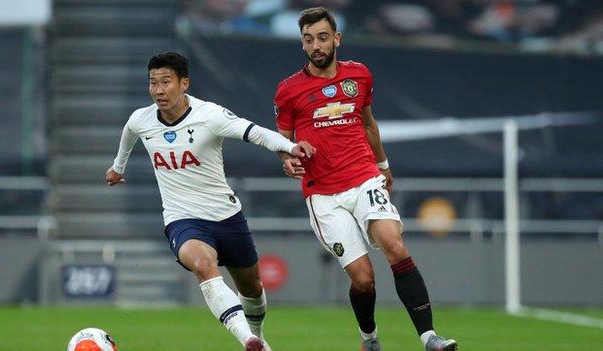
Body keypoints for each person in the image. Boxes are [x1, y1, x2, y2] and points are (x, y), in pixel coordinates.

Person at [273, 7, 457, 351]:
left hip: (364, 178)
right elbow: (282, 141)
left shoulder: (359, 75)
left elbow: (369, 123)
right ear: (302, 44)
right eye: (309, 39)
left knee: (394, 244)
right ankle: (369, 339)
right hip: (324, 195)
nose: (317, 45)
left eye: (323, 37)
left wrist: (384, 164)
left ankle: (430, 337)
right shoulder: (288, 90)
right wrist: (288, 159)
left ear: (336, 39)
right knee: (363, 279)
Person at [106, 52, 315, 351]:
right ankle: (251, 341)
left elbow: (254, 133)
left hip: (226, 216)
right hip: (183, 219)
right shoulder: (141, 119)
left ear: (184, 83)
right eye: (153, 83)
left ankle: (258, 334)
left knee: (253, 289)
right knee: (203, 264)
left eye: (166, 82)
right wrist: (118, 168)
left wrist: (291, 146)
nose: (159, 90)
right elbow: (129, 134)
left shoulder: (210, 116)